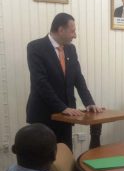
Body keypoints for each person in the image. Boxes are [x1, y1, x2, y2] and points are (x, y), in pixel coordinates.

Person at [26, 13, 104, 151]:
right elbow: (40, 83)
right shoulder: (35, 47)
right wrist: (62, 107)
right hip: (43, 116)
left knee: (65, 157)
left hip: (66, 118)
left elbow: (78, 78)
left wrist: (89, 103)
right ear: (61, 30)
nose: (75, 35)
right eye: (72, 31)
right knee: (45, 160)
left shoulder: (70, 49)